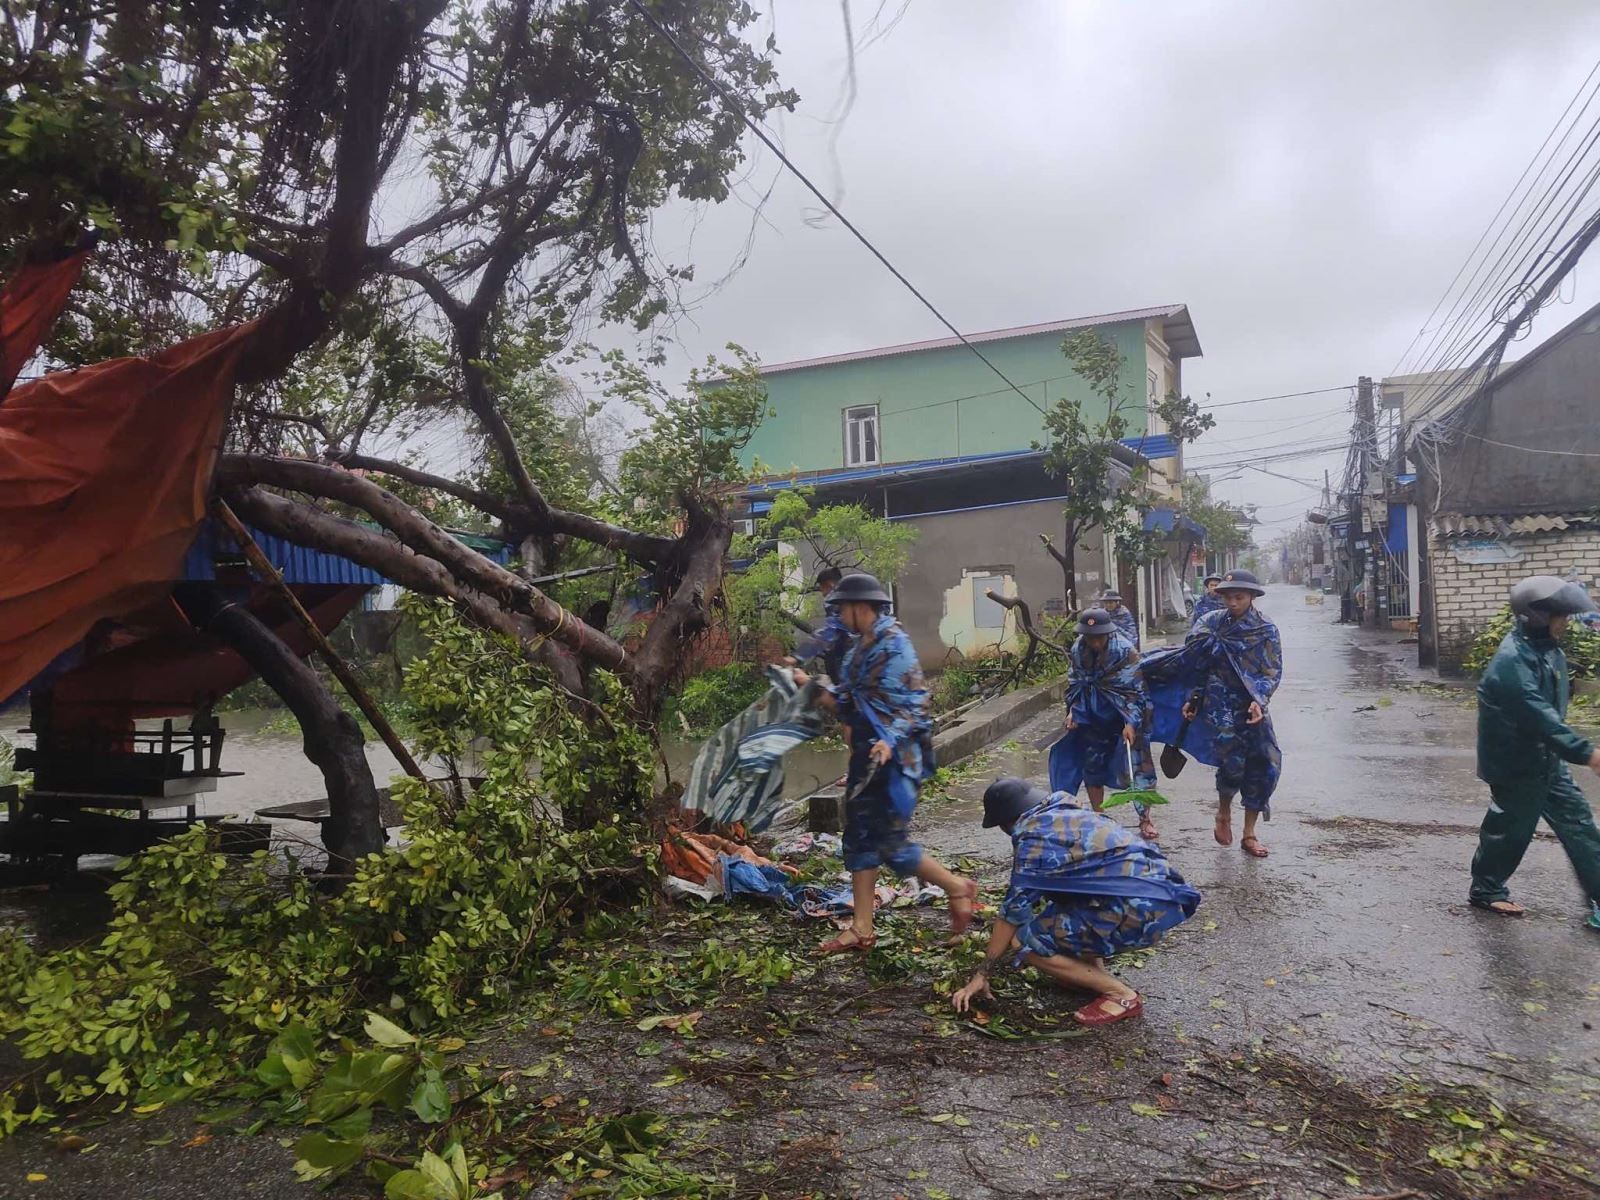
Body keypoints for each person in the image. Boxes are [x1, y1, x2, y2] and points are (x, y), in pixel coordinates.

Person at [795, 573, 978, 953]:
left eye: (843, 609)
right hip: (867, 755)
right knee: (859, 836)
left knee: (891, 844)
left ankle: (957, 887)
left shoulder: (896, 647)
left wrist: (887, 740)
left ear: (862, 608)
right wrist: (809, 685)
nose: (840, 616)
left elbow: (915, 706)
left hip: (895, 759)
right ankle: (862, 927)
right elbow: (848, 700)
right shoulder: (860, 647)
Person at [950, 778, 1199, 1026]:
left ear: (1006, 822)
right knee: (1060, 908)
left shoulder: (1033, 840)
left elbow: (1012, 913)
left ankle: (1121, 995)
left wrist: (981, 974)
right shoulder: (1068, 810)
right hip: (1163, 895)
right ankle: (1093, 977)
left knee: (1024, 941)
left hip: (1140, 911)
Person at [1468, 575, 1600, 930]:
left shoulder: (1548, 651)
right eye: (1562, 616)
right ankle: (1486, 890)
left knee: (1581, 826)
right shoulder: (1510, 663)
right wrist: (1587, 753)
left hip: (1546, 760)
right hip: (1515, 766)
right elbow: (1539, 718)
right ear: (1538, 617)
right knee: (1509, 831)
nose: (1567, 623)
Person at [1141, 569, 1283, 858]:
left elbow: (1271, 671)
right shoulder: (1209, 624)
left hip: (1252, 703)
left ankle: (1250, 833)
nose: (1232, 602)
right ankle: (1223, 812)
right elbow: (1194, 663)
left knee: (1265, 762)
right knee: (1232, 762)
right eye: (1228, 597)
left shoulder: (1265, 629)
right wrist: (1193, 698)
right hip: (1220, 702)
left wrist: (1260, 699)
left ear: (1252, 597)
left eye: (1239, 597)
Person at [1047, 607, 1160, 841]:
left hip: (1123, 711)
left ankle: (1145, 818)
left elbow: (1136, 692)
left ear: (1108, 633)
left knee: (1137, 766)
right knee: (1092, 764)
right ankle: (1098, 815)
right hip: (1093, 713)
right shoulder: (1079, 648)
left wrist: (1131, 722)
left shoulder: (1125, 651)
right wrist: (1073, 712)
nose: (1095, 642)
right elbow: (1076, 683)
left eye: (1099, 637)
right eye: (1090, 637)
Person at [787, 566, 850, 681]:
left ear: (829, 585)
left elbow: (829, 632)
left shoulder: (836, 603)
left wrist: (797, 656)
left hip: (843, 664)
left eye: (822, 589)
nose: (823, 594)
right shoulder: (849, 599)